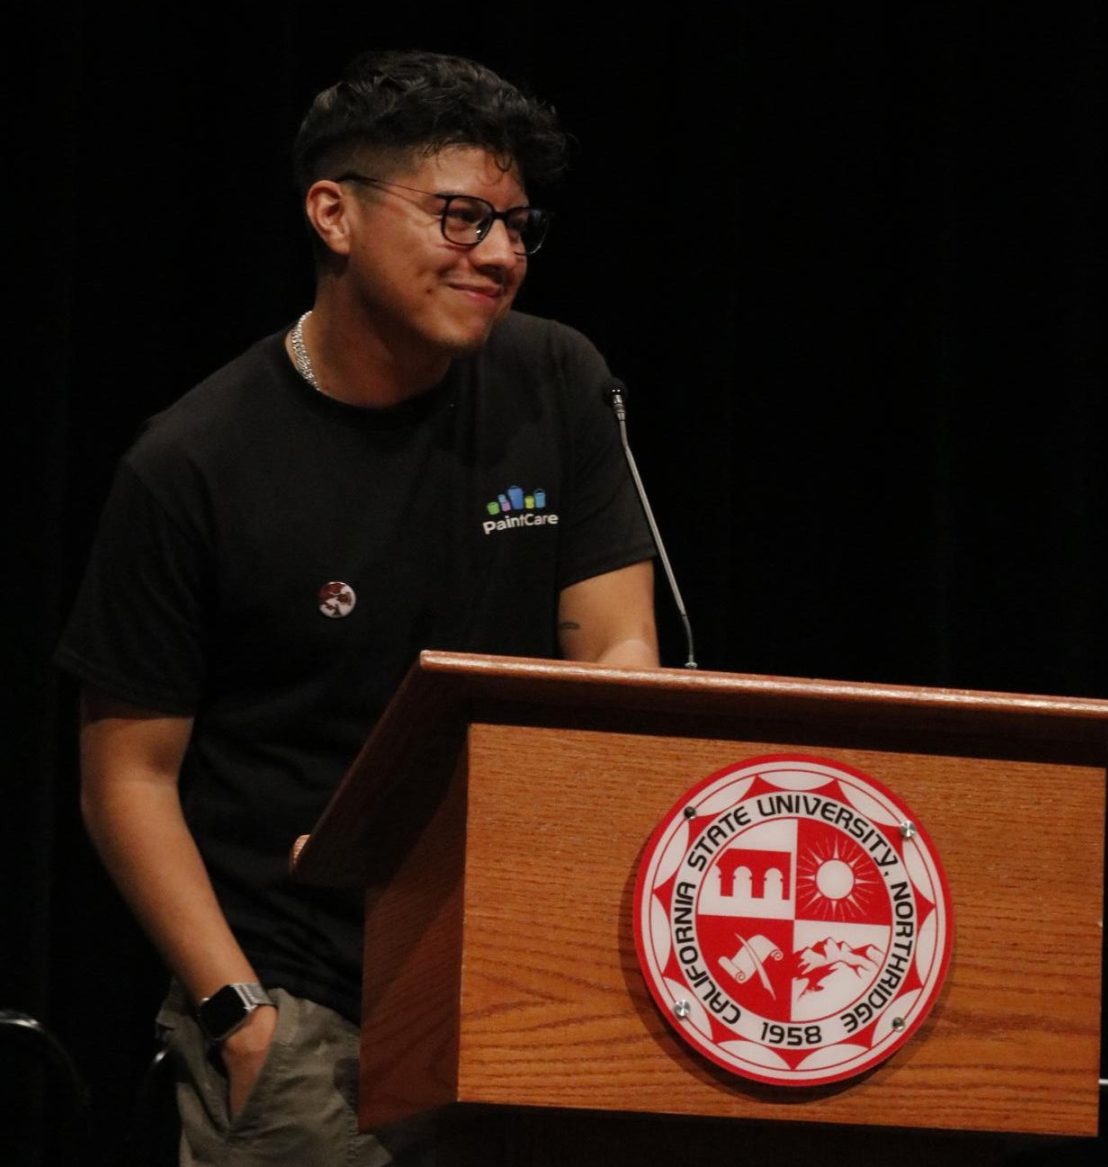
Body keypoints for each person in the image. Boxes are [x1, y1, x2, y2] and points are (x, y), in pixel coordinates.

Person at [55, 48, 659, 1165]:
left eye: (519, 225)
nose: (501, 255)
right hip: (302, 1003)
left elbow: (620, 652)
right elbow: (125, 780)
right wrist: (240, 1017)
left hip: (524, 973)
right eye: (462, 217)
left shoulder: (556, 379)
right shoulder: (192, 463)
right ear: (333, 214)